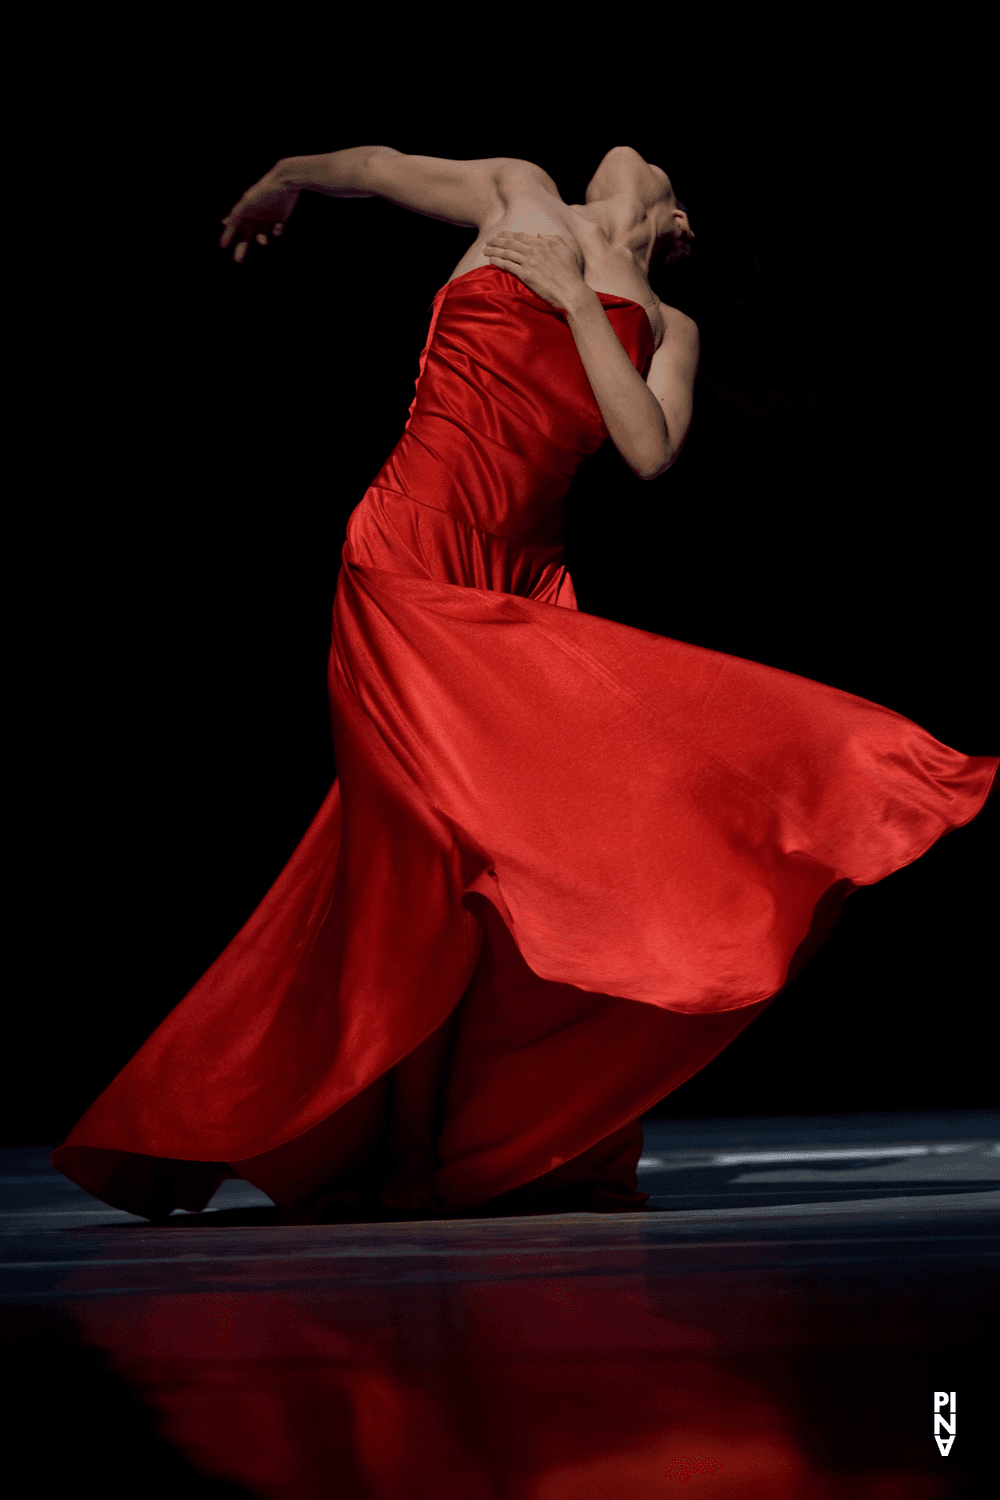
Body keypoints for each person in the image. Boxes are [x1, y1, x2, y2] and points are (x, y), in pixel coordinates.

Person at [50, 146, 997, 1224]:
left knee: (523, 865)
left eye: (660, 168)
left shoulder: (669, 324)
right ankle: (387, 1144)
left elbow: (647, 451)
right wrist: (287, 177)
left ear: (676, 223)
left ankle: (456, 1139)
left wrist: (579, 306)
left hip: (525, 591)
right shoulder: (517, 192)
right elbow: (377, 166)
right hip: (409, 558)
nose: (633, 151)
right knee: (416, 856)